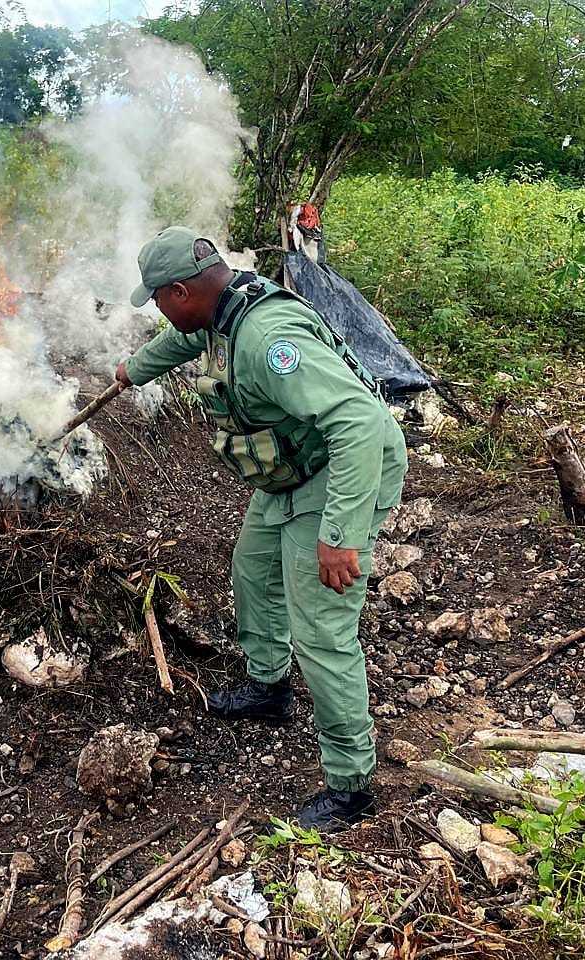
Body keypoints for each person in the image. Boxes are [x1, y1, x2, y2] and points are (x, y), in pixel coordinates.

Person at [114, 226, 407, 831]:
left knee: (321, 628)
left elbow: (358, 422)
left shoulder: (269, 339)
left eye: (159, 300)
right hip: (292, 470)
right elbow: (183, 341)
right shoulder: (221, 309)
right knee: (253, 569)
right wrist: (133, 370)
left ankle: (351, 785)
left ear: (180, 291)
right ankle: (269, 687)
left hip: (341, 470)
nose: (161, 312)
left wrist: (339, 536)